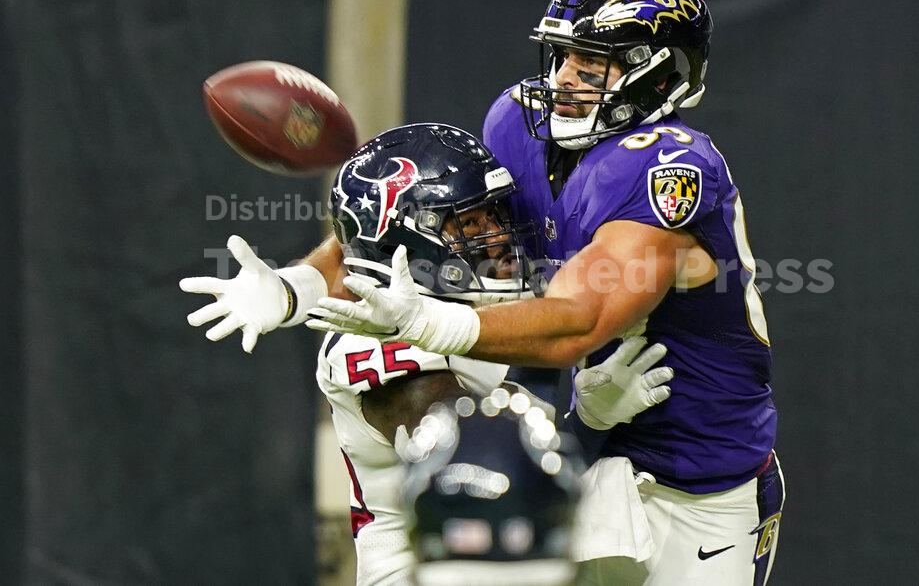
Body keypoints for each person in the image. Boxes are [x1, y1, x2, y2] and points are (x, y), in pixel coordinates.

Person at [306, 0, 785, 585]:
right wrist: (296, 286)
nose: (561, 81)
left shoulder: (667, 166)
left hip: (696, 480)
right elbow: (394, 218)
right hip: (539, 481)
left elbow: (578, 321)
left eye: (589, 66)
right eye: (560, 58)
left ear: (658, 71)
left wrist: (429, 321)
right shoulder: (518, 129)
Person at [181, 123, 672, 585]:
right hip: (436, 565)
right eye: (468, 223)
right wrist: (590, 422)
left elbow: (369, 232)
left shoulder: (458, 294)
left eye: (494, 213)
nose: (498, 235)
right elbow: (483, 478)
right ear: (406, 242)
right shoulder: (376, 342)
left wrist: (299, 284)